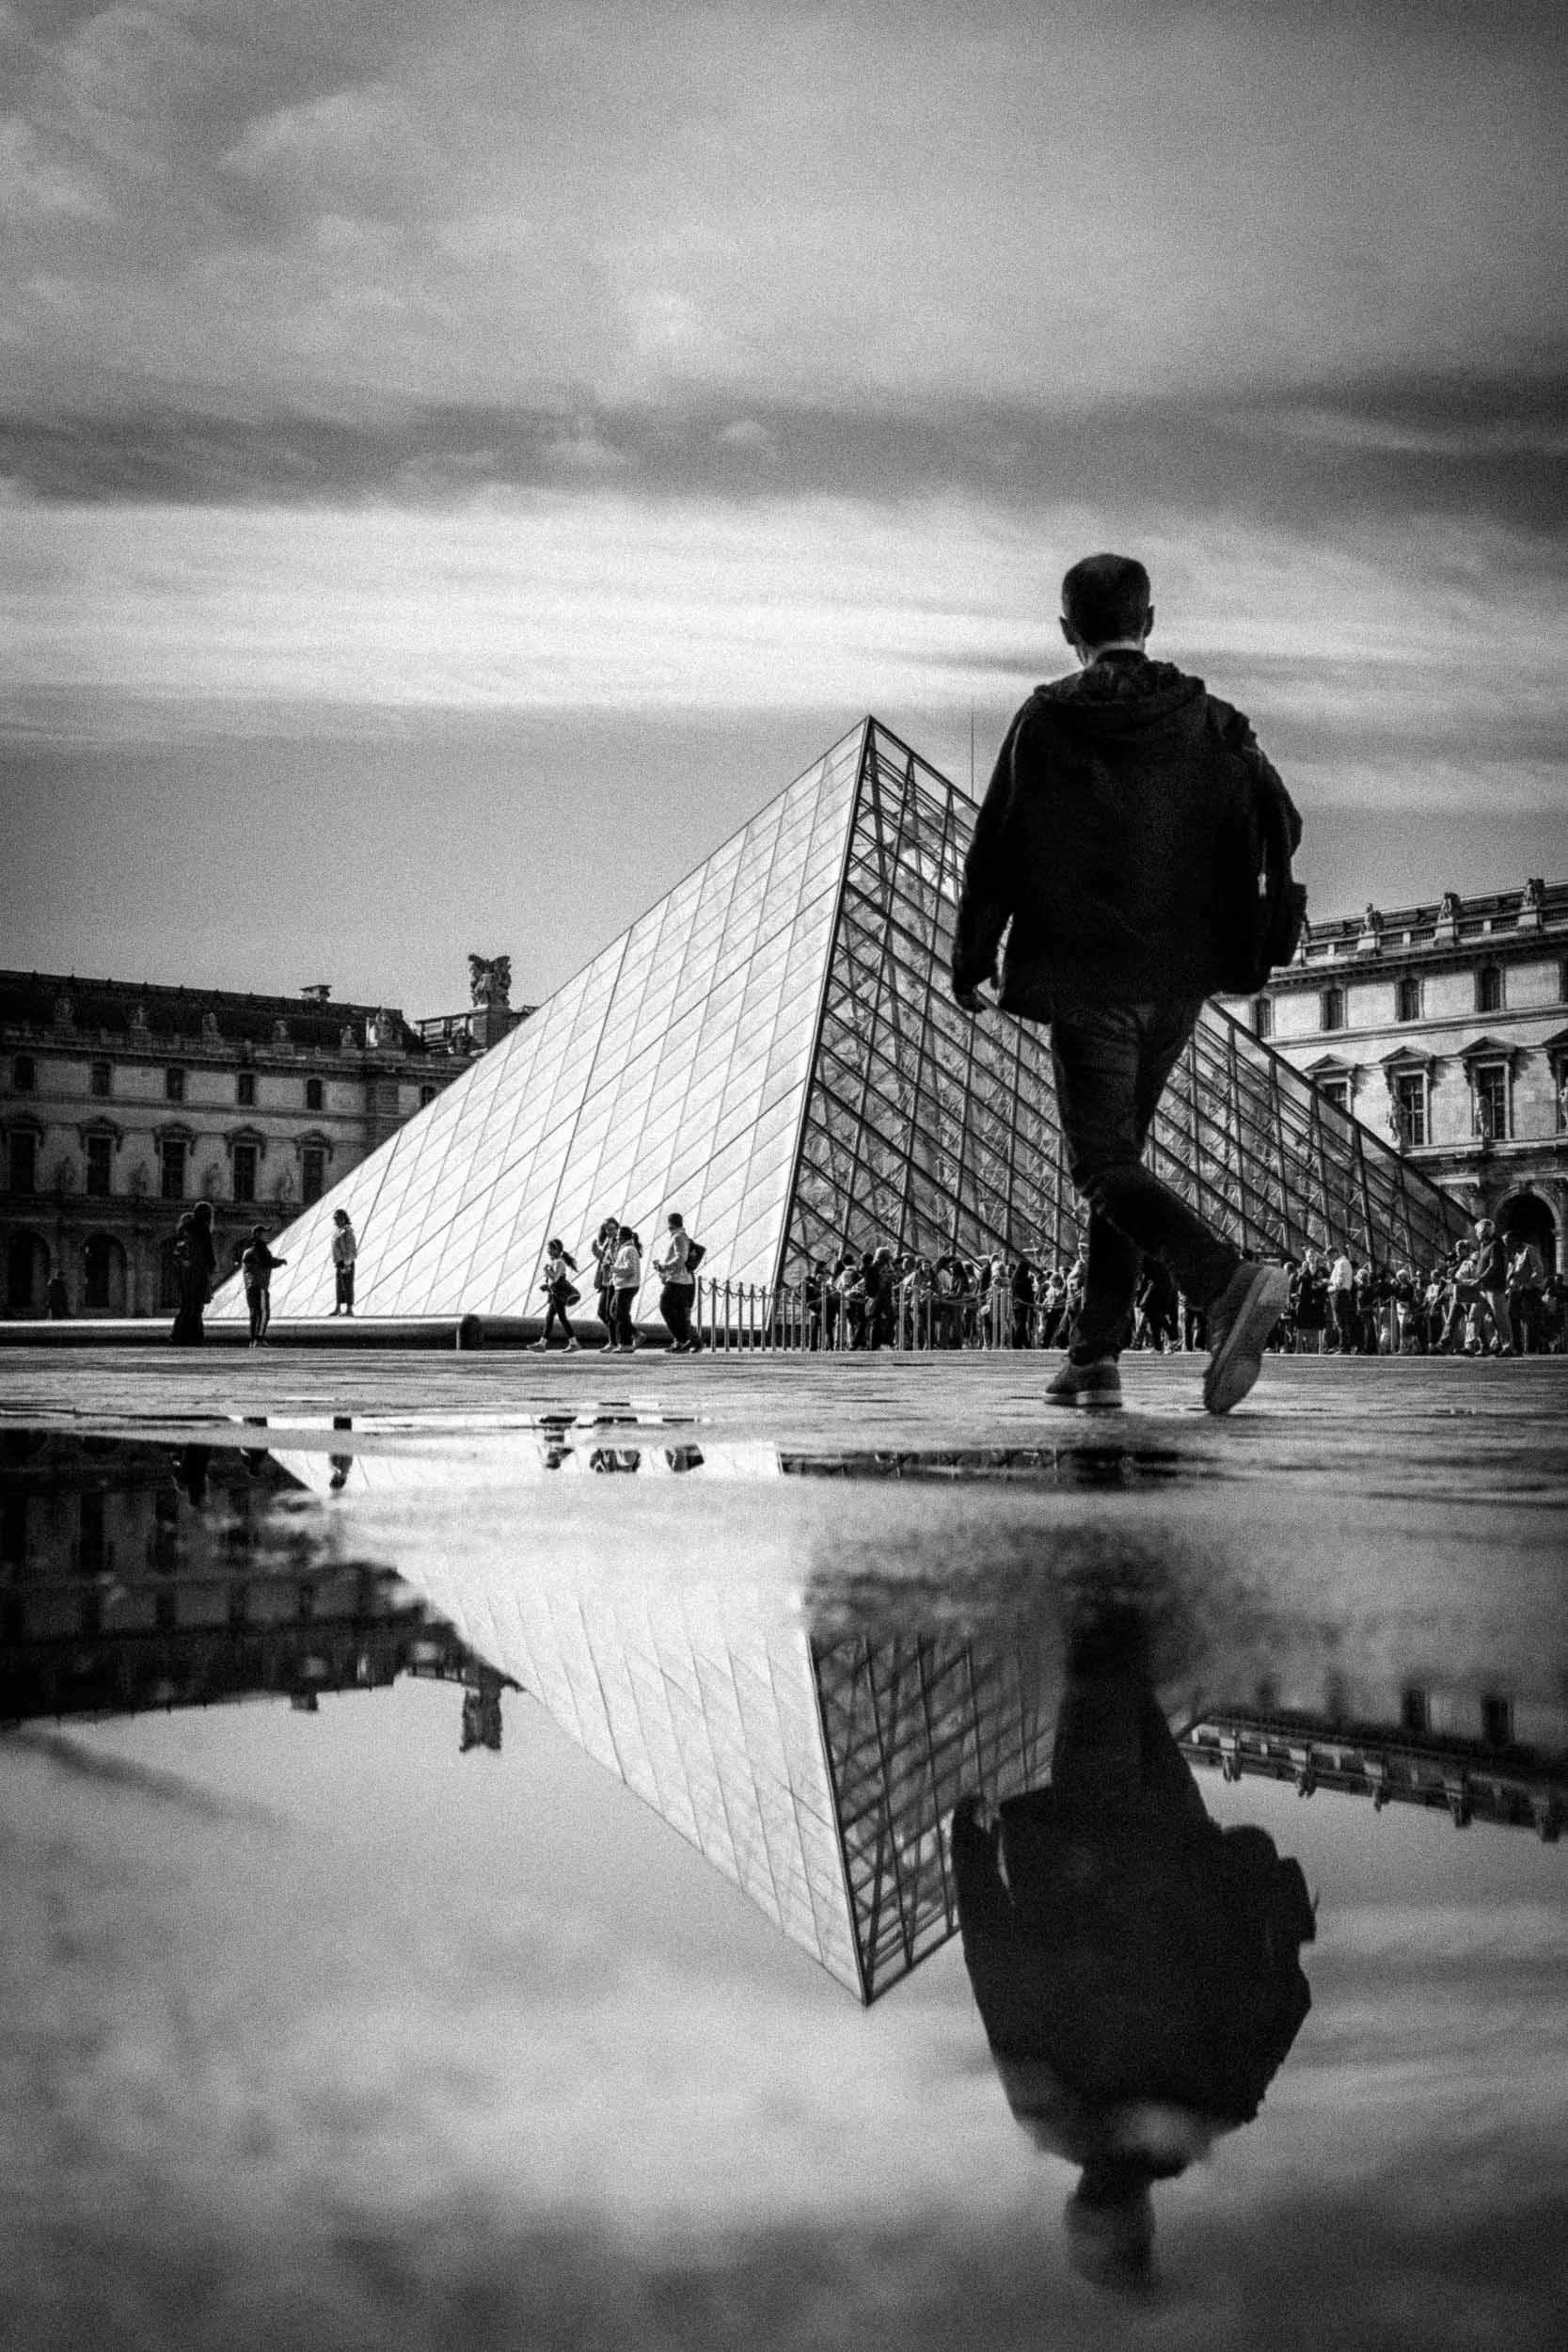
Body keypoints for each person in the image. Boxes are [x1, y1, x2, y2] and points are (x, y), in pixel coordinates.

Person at [952, 553, 1296, 1413]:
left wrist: (972, 953)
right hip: (1177, 979)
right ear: (1149, 620)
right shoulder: (1212, 720)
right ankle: (1094, 1356)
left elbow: (998, 844)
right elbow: (1281, 820)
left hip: (1089, 973)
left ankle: (1222, 1282)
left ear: (1067, 631)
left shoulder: (1046, 719)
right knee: (1121, 1165)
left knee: (1102, 1163)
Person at [950, 1606, 1314, 2293]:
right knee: (1108, 1664)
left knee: (1112, 1668)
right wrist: (971, 1860)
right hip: (1096, 1838)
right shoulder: (1058, 2111)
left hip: (1163, 1840)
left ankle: (1115, 1576)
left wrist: (1266, 1915)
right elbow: (994, 1967)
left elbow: (1288, 1996)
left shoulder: (1207, 2110)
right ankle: (1111, 1570)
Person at [169, 1200, 216, 1345]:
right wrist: (212, 1268)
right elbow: (208, 1251)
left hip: (185, 1273)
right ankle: (195, 1337)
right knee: (196, 1306)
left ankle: (178, 1336)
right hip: (199, 1272)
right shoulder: (202, 1228)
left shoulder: (184, 1228)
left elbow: (176, 1252)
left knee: (186, 1306)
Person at [653, 1213, 702, 1353]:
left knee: (665, 1307)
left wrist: (665, 1267)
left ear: (670, 1224)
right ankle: (690, 1341)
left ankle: (683, 1340)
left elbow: (681, 1258)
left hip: (678, 1281)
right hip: (682, 1280)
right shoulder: (682, 1236)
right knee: (680, 1314)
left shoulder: (678, 1237)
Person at [531, 1237, 581, 1351]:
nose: (548, 1251)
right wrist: (547, 1286)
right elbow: (553, 1280)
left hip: (559, 1294)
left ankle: (573, 1343)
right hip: (555, 1293)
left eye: (550, 1249)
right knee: (551, 1318)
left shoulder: (559, 1262)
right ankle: (543, 1344)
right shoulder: (556, 1262)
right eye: (548, 1249)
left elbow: (555, 1278)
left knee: (560, 1318)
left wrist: (547, 1271)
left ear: (557, 1250)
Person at [240, 1225, 287, 1347]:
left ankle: (253, 1340)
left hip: (251, 1286)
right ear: (257, 1235)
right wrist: (280, 1261)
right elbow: (267, 1262)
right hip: (259, 1285)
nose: (267, 1235)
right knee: (263, 1312)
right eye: (264, 1233)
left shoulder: (249, 1250)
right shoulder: (260, 1249)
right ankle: (259, 1339)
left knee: (254, 1313)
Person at [610, 1224, 642, 1352]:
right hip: (623, 1285)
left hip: (627, 1286)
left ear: (623, 1236)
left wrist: (613, 1269)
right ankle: (635, 1334)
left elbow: (630, 1269)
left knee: (620, 1313)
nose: (616, 1238)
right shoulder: (625, 1249)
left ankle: (626, 1343)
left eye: (618, 1235)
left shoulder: (629, 1250)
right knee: (615, 1312)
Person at [330, 1210, 357, 1315]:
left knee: (347, 1285)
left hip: (346, 1262)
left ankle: (349, 1309)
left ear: (344, 1219)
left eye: (338, 1219)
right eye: (335, 1219)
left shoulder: (347, 1231)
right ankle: (338, 1308)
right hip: (339, 1262)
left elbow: (350, 1248)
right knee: (339, 1286)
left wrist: (347, 1263)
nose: (336, 1221)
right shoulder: (339, 1231)